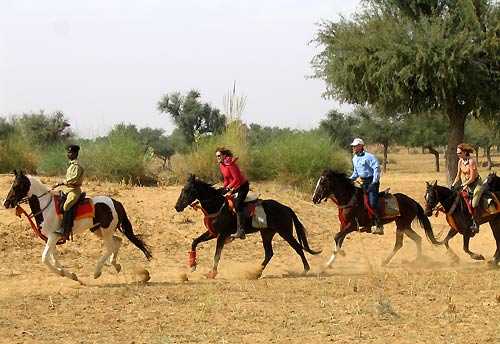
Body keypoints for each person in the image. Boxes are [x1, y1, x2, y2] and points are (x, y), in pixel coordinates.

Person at [349, 138, 384, 235]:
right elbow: (355, 173)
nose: (354, 148)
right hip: (363, 182)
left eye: (356, 146)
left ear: (361, 146)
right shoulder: (354, 158)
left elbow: (376, 169)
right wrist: (349, 179)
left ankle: (379, 226)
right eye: (353, 146)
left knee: (372, 203)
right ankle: (365, 224)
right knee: (359, 202)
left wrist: (374, 182)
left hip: (372, 181)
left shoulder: (369, 157)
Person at [216, 147, 249, 240]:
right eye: (216, 156)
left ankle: (241, 231)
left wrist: (228, 187)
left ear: (224, 156)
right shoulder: (222, 165)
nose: (217, 158)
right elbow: (226, 179)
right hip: (234, 186)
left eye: (219, 156)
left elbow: (237, 179)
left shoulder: (230, 164)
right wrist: (223, 188)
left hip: (243, 187)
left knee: (238, 204)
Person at [53, 144, 85, 236]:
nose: (68, 154)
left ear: (75, 153)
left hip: (74, 190)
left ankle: (65, 229)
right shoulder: (71, 165)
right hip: (67, 189)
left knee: (66, 206)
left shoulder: (76, 166)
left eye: (70, 152)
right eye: (68, 152)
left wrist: (60, 182)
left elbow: (73, 179)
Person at [451, 143, 481, 233]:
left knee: (474, 203)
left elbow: (472, 178)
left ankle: (475, 223)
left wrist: (463, 185)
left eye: (459, 153)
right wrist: (453, 185)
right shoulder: (460, 161)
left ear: (464, 152)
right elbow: (458, 176)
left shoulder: (471, 161)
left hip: (476, 184)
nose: (458, 155)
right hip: (466, 184)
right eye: (457, 153)